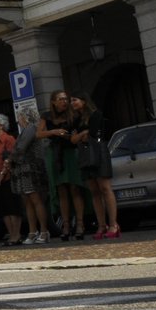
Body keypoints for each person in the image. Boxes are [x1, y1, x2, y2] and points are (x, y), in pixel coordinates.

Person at [40, 90, 88, 241]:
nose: (64, 101)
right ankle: (66, 225)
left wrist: (71, 135)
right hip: (56, 154)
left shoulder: (73, 114)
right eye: (61, 99)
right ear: (53, 101)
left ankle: (80, 224)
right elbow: (38, 134)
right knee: (61, 190)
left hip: (71, 153)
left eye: (66, 99)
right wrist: (53, 131)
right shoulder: (47, 116)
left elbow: (80, 130)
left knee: (75, 187)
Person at [73, 94, 121, 239]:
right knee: (94, 190)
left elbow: (93, 134)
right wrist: (83, 133)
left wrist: (82, 135)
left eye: (74, 99)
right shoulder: (76, 119)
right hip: (85, 154)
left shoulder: (96, 115)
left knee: (105, 188)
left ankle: (113, 224)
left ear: (84, 101)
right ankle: (101, 225)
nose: (72, 103)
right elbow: (74, 139)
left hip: (98, 152)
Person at [12, 108, 50, 244]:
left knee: (35, 200)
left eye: (20, 117)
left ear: (26, 117)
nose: (18, 120)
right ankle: (32, 232)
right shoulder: (27, 129)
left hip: (31, 168)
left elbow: (21, 147)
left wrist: (9, 158)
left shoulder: (31, 128)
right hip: (26, 168)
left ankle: (44, 231)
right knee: (28, 201)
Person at [0, 114, 22, 245]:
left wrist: (2, 174)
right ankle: (11, 234)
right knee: (4, 210)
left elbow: (10, 158)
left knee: (13, 207)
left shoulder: (9, 139)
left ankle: (16, 235)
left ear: (1, 126)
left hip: (8, 179)